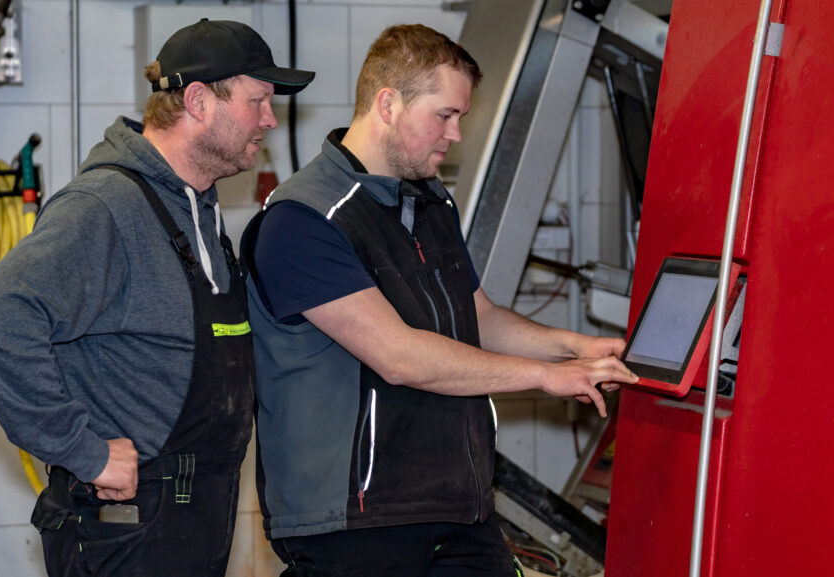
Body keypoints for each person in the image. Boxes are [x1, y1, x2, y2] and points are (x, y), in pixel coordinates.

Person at [241, 24, 637, 576]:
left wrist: (578, 348)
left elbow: (481, 317)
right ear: (388, 104)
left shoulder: (429, 201)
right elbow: (399, 357)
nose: (454, 135)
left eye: (461, 119)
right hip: (360, 520)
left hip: (456, 504)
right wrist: (545, 377)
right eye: (444, 116)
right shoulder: (302, 221)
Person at [0, 19, 314, 577]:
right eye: (258, 101)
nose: (270, 120)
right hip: (125, 534)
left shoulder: (199, 207)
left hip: (194, 523)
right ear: (199, 100)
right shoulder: (105, 208)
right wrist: (86, 452)